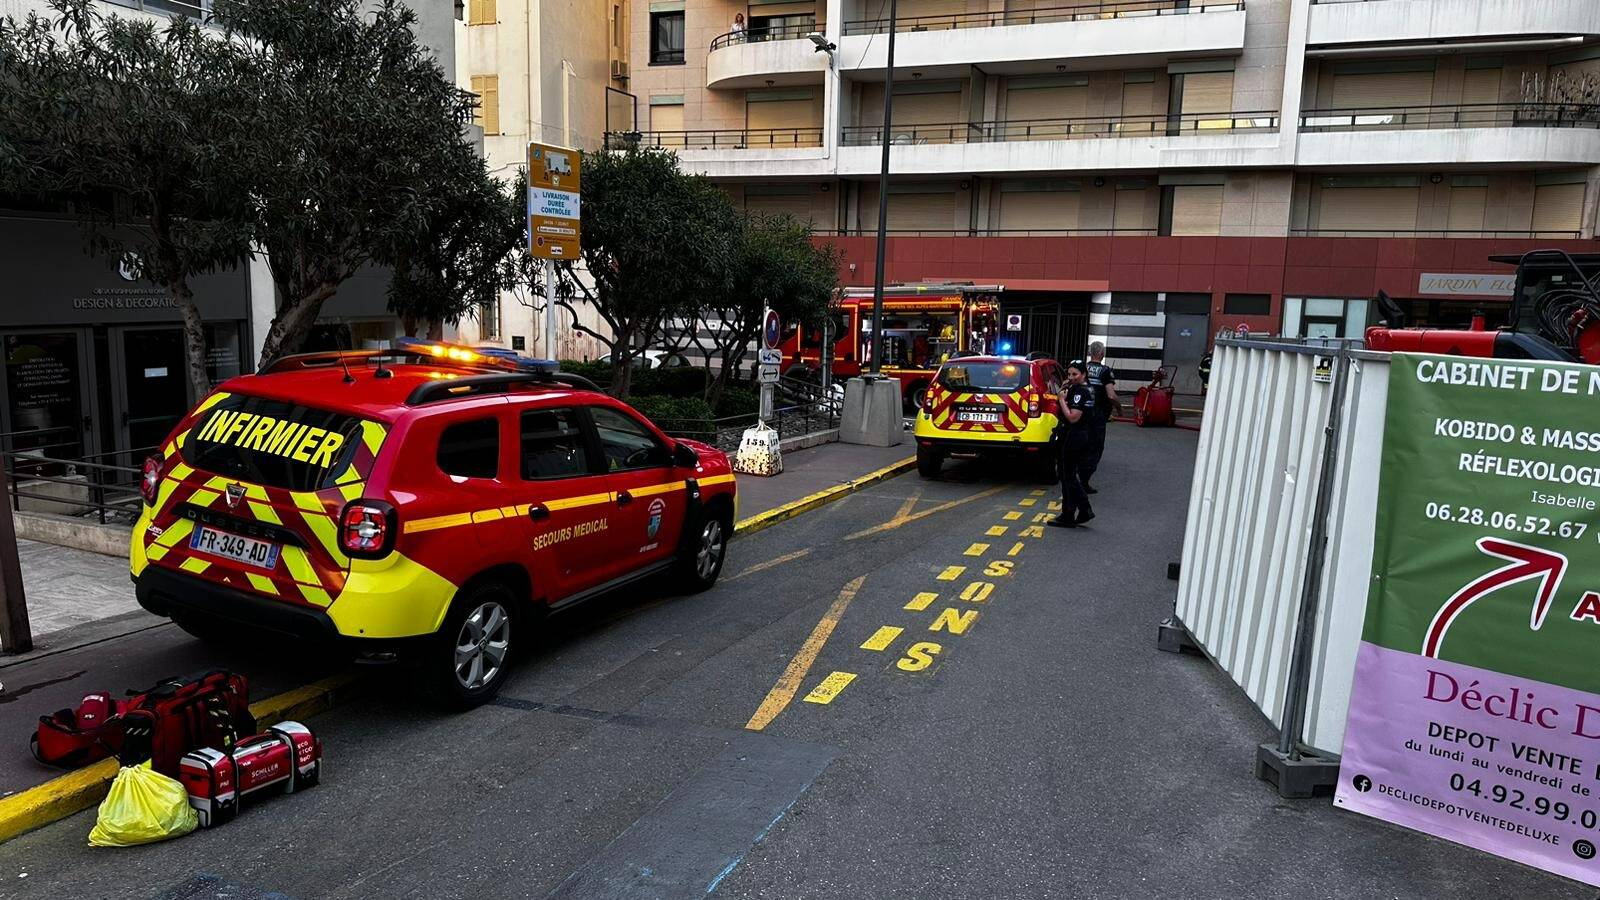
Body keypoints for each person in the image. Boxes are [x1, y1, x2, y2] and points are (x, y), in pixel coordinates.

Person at [1049, 360, 1094, 529]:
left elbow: (1072, 417)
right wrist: (1063, 388)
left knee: (1068, 475)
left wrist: (1061, 399)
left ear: (1084, 374)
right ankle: (1069, 513)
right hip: (1073, 435)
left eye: (1075, 374)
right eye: (1069, 374)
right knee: (1066, 475)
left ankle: (1083, 508)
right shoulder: (1077, 389)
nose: (1071, 377)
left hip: (1075, 435)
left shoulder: (1081, 392)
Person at [1081, 341, 1118, 493]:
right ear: (1102, 354)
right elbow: (1111, 395)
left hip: (1080, 414)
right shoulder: (1105, 371)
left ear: (1090, 353)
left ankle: (1077, 477)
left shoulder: (1081, 369)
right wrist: (1119, 407)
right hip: (1097, 416)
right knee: (1095, 448)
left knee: (1082, 446)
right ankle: (1083, 481)